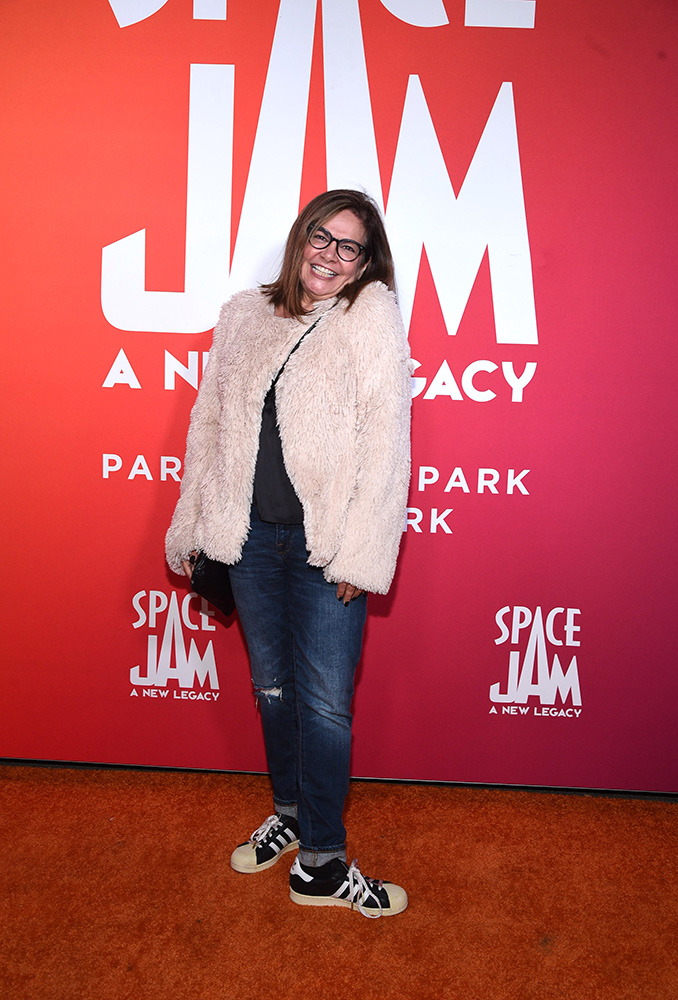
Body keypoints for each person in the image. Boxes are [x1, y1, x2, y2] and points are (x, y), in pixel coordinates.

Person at [166, 189, 412, 917]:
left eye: (349, 247)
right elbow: (208, 426)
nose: (331, 256)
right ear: (301, 237)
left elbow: (386, 440)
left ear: (365, 263)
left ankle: (323, 863)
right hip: (249, 542)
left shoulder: (369, 318)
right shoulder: (244, 315)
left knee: (326, 706)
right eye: (322, 238)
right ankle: (292, 815)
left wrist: (361, 553)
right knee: (271, 689)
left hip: (324, 547)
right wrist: (194, 524)